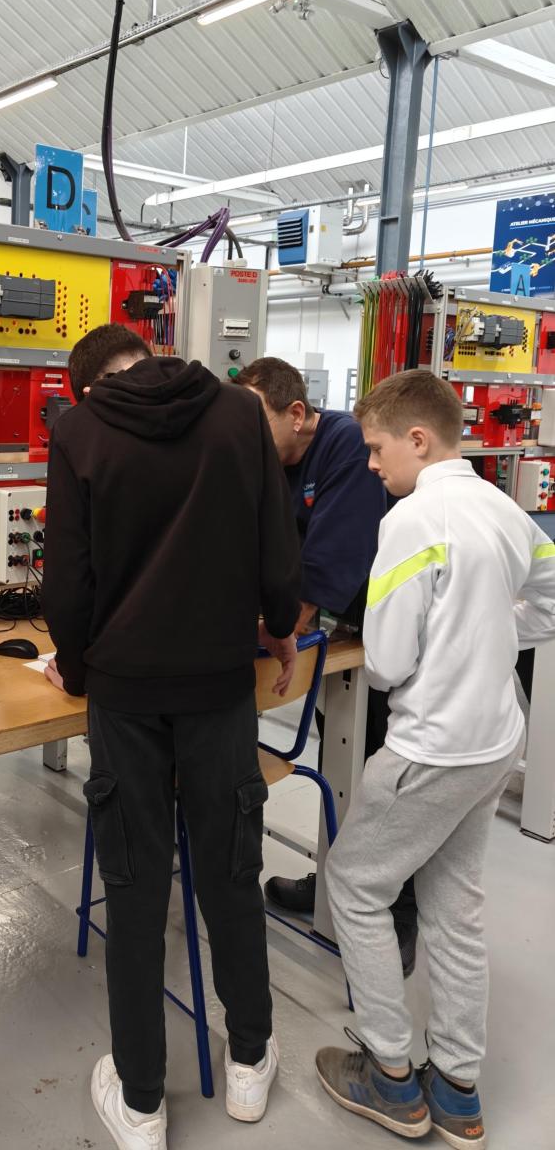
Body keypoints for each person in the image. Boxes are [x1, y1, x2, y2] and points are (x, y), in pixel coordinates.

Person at [42, 323, 301, 1150]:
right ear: (151, 353)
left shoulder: (79, 430)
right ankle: (250, 1060)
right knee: (231, 872)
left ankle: (143, 1103)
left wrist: (76, 669)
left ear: (89, 385)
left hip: (125, 695)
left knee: (134, 887)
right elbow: (276, 545)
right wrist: (280, 623)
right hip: (219, 687)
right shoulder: (238, 413)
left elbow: (67, 581)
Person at [315, 371, 555, 1145]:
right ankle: (456, 1089)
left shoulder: (412, 519)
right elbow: (550, 601)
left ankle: (389, 1074)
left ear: (417, 439)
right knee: (455, 904)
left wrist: (450, 640)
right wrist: (486, 635)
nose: (370, 465)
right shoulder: (506, 509)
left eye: (377, 449)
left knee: (356, 885)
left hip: (431, 748)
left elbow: (386, 662)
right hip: (494, 740)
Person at [233, 359, 420, 971]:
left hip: (386, 632)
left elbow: (330, 558)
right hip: (342, 632)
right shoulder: (263, 461)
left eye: (255, 420)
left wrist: (283, 626)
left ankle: (397, 910)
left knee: (382, 769)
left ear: (297, 413)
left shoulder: (344, 444)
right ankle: (337, 879)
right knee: (344, 753)